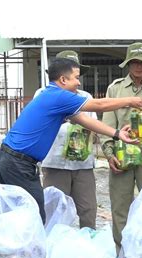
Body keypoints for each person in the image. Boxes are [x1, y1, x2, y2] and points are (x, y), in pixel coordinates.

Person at [0, 57, 142, 258]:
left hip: (7, 156)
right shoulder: (58, 96)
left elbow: (84, 119)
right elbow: (98, 105)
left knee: (0, 207)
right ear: (62, 79)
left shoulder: (54, 96)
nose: (79, 83)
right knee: (36, 214)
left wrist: (116, 134)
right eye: (76, 78)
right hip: (19, 162)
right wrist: (130, 101)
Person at [101, 42, 142, 252]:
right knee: (121, 206)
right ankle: (124, 254)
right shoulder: (116, 88)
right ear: (128, 64)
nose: (139, 67)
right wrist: (109, 152)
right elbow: (108, 123)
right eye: (135, 62)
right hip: (123, 153)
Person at [38, 50, 98, 229]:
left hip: (83, 164)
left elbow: (94, 127)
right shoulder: (42, 94)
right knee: (55, 211)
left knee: (88, 211)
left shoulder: (85, 98)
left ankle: (88, 250)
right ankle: (55, 252)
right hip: (54, 163)